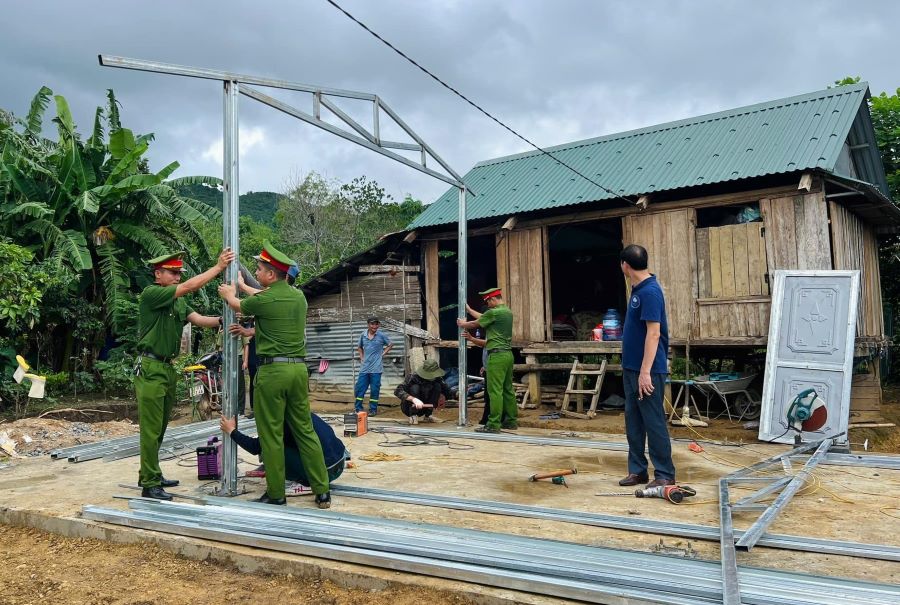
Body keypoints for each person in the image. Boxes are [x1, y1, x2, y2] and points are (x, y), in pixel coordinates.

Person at [219, 241, 331, 508]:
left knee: (271, 434)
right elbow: (261, 299)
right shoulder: (298, 296)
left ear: (271, 275)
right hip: (298, 371)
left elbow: (239, 305)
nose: (256, 273)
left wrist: (228, 292)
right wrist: (243, 287)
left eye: (259, 269)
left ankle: (277, 493)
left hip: (273, 373)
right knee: (305, 431)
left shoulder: (266, 299)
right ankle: (322, 490)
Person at [136, 249, 235, 500]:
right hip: (150, 367)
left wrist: (226, 319)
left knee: (159, 428)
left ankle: (151, 473)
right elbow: (190, 286)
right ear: (158, 275)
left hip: (167, 368)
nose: (178, 276)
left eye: (179, 272)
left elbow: (200, 319)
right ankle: (149, 484)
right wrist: (217, 268)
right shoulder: (152, 294)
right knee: (150, 429)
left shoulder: (178, 302)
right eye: (173, 272)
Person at [618, 244, 676, 488]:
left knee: (653, 421)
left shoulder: (651, 292)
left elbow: (654, 334)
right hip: (632, 367)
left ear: (625, 265)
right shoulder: (638, 288)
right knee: (634, 421)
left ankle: (664, 474)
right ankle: (638, 471)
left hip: (648, 370)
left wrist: (645, 372)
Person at [219, 414, 347, 493]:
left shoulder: (281, 423)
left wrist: (231, 430)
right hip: (340, 463)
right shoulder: (300, 412)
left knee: (270, 449)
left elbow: (255, 447)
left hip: (324, 473)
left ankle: (304, 482)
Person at [457, 288, 516, 433]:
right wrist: (470, 310)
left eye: (488, 302)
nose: (488, 305)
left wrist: (463, 324)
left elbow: (475, 323)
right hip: (508, 355)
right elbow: (484, 317)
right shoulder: (507, 312)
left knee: (494, 391)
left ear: (493, 300)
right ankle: (511, 421)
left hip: (496, 356)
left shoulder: (494, 312)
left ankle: (493, 424)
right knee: (508, 390)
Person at [462, 327, 509, 427]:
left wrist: (471, 338)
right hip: (490, 365)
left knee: (492, 394)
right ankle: (490, 419)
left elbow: (488, 344)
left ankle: (494, 420)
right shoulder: (492, 330)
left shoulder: (495, 330)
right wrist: (485, 365)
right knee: (489, 395)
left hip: (494, 366)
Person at [395, 359, 458, 424]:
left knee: (437, 386)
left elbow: (448, 391)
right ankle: (413, 415)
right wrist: (413, 399)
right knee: (415, 388)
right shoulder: (413, 377)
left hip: (426, 407)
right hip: (409, 407)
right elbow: (398, 390)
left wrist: (457, 394)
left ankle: (428, 415)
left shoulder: (437, 378)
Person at [354, 316, 393, 416]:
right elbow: (359, 347)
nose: (374, 326)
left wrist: (383, 354)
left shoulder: (381, 335)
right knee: (360, 388)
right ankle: (358, 408)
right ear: (368, 325)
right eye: (372, 324)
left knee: (375, 390)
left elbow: (390, 344)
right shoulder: (363, 335)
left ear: (378, 325)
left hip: (376, 369)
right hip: (365, 368)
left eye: (376, 324)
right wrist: (362, 357)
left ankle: (373, 409)